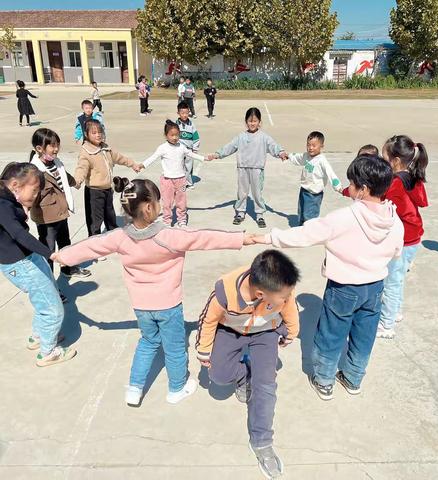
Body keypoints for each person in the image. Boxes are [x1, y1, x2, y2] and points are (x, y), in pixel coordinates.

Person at [53, 177, 251, 405]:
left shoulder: (120, 237)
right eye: (158, 200)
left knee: (148, 342)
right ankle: (177, 388)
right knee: (175, 348)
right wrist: (242, 238)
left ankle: (135, 388)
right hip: (168, 305)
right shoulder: (169, 235)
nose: (160, 203)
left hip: (141, 306)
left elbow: (92, 245)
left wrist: (62, 256)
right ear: (149, 207)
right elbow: (205, 237)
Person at [253, 155, 404, 400]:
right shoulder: (393, 219)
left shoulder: (345, 217)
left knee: (332, 333)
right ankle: (353, 378)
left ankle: (324, 380)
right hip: (375, 287)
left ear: (363, 189)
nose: (350, 188)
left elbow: (304, 235)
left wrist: (269, 237)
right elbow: (397, 251)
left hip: (344, 287)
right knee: (364, 335)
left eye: (353, 183)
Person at [196, 250, 300, 479]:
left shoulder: (281, 291)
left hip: (266, 332)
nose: (288, 298)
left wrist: (291, 332)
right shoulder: (225, 291)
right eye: (283, 296)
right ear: (261, 294)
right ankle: (244, 375)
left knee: (265, 386)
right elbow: (208, 320)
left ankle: (262, 442)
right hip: (231, 331)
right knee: (218, 377)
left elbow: (289, 308)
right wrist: (203, 349)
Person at [0, 162, 76, 366]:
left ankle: (40, 335)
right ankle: (48, 352)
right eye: (34, 191)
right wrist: (51, 254)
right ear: (15, 184)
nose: (35, 196)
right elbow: (18, 234)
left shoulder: (6, 199)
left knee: (44, 299)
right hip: (21, 262)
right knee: (53, 309)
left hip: (25, 257)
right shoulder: (3, 206)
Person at [29, 128, 90, 303]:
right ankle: (49, 288)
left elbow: (63, 176)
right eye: (52, 146)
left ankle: (68, 268)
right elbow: (29, 194)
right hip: (46, 218)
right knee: (48, 252)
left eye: (57, 145)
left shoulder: (56, 162)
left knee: (65, 243)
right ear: (39, 148)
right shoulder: (35, 170)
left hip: (61, 213)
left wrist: (75, 182)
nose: (56, 149)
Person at [377, 135, 429, 339]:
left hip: (402, 239)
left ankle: (386, 324)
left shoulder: (395, 183)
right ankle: (396, 311)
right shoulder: (414, 177)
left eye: (384, 158)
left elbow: (381, 203)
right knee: (398, 279)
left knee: (390, 282)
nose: (383, 162)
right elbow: (422, 202)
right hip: (414, 236)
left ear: (396, 161)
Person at [208, 107, 288, 228]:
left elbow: (273, 146)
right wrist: (217, 154)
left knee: (257, 193)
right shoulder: (241, 137)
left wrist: (281, 153)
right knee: (242, 192)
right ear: (246, 122)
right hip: (243, 169)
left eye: (255, 121)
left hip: (257, 169)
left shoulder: (264, 137)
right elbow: (229, 147)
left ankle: (260, 214)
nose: (252, 123)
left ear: (259, 122)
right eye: (250, 121)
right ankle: (240, 212)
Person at [74, 119, 143, 237]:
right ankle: (95, 243)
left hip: (107, 189)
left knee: (110, 215)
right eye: (94, 133)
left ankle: (113, 236)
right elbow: (82, 168)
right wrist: (77, 180)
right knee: (95, 220)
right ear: (86, 134)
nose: (98, 135)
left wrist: (133, 164)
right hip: (94, 192)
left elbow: (120, 158)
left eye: (100, 132)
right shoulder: (86, 152)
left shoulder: (106, 148)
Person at [140, 120, 205, 227]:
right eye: (172, 135)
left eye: (177, 135)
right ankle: (167, 221)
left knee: (181, 202)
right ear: (166, 136)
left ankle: (182, 220)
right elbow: (153, 157)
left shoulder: (182, 147)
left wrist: (204, 158)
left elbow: (191, 154)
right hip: (167, 180)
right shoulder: (163, 148)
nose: (175, 137)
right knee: (167, 203)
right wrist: (142, 165)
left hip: (181, 179)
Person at [285, 131, 343, 226]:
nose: (310, 148)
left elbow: (331, 174)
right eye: (308, 145)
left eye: (314, 145)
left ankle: (310, 234)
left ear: (321, 146)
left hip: (314, 195)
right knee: (301, 213)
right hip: (304, 190)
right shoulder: (306, 156)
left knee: (310, 217)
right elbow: (298, 158)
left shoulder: (322, 161)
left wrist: (338, 187)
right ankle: (301, 229)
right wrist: (289, 156)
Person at [176, 101, 200, 189]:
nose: (185, 115)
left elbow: (196, 137)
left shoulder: (192, 125)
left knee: (189, 167)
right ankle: (181, 183)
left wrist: (195, 148)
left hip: (189, 150)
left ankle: (189, 182)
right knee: (180, 166)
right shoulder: (176, 125)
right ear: (178, 113)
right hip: (179, 149)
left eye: (186, 113)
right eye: (182, 113)